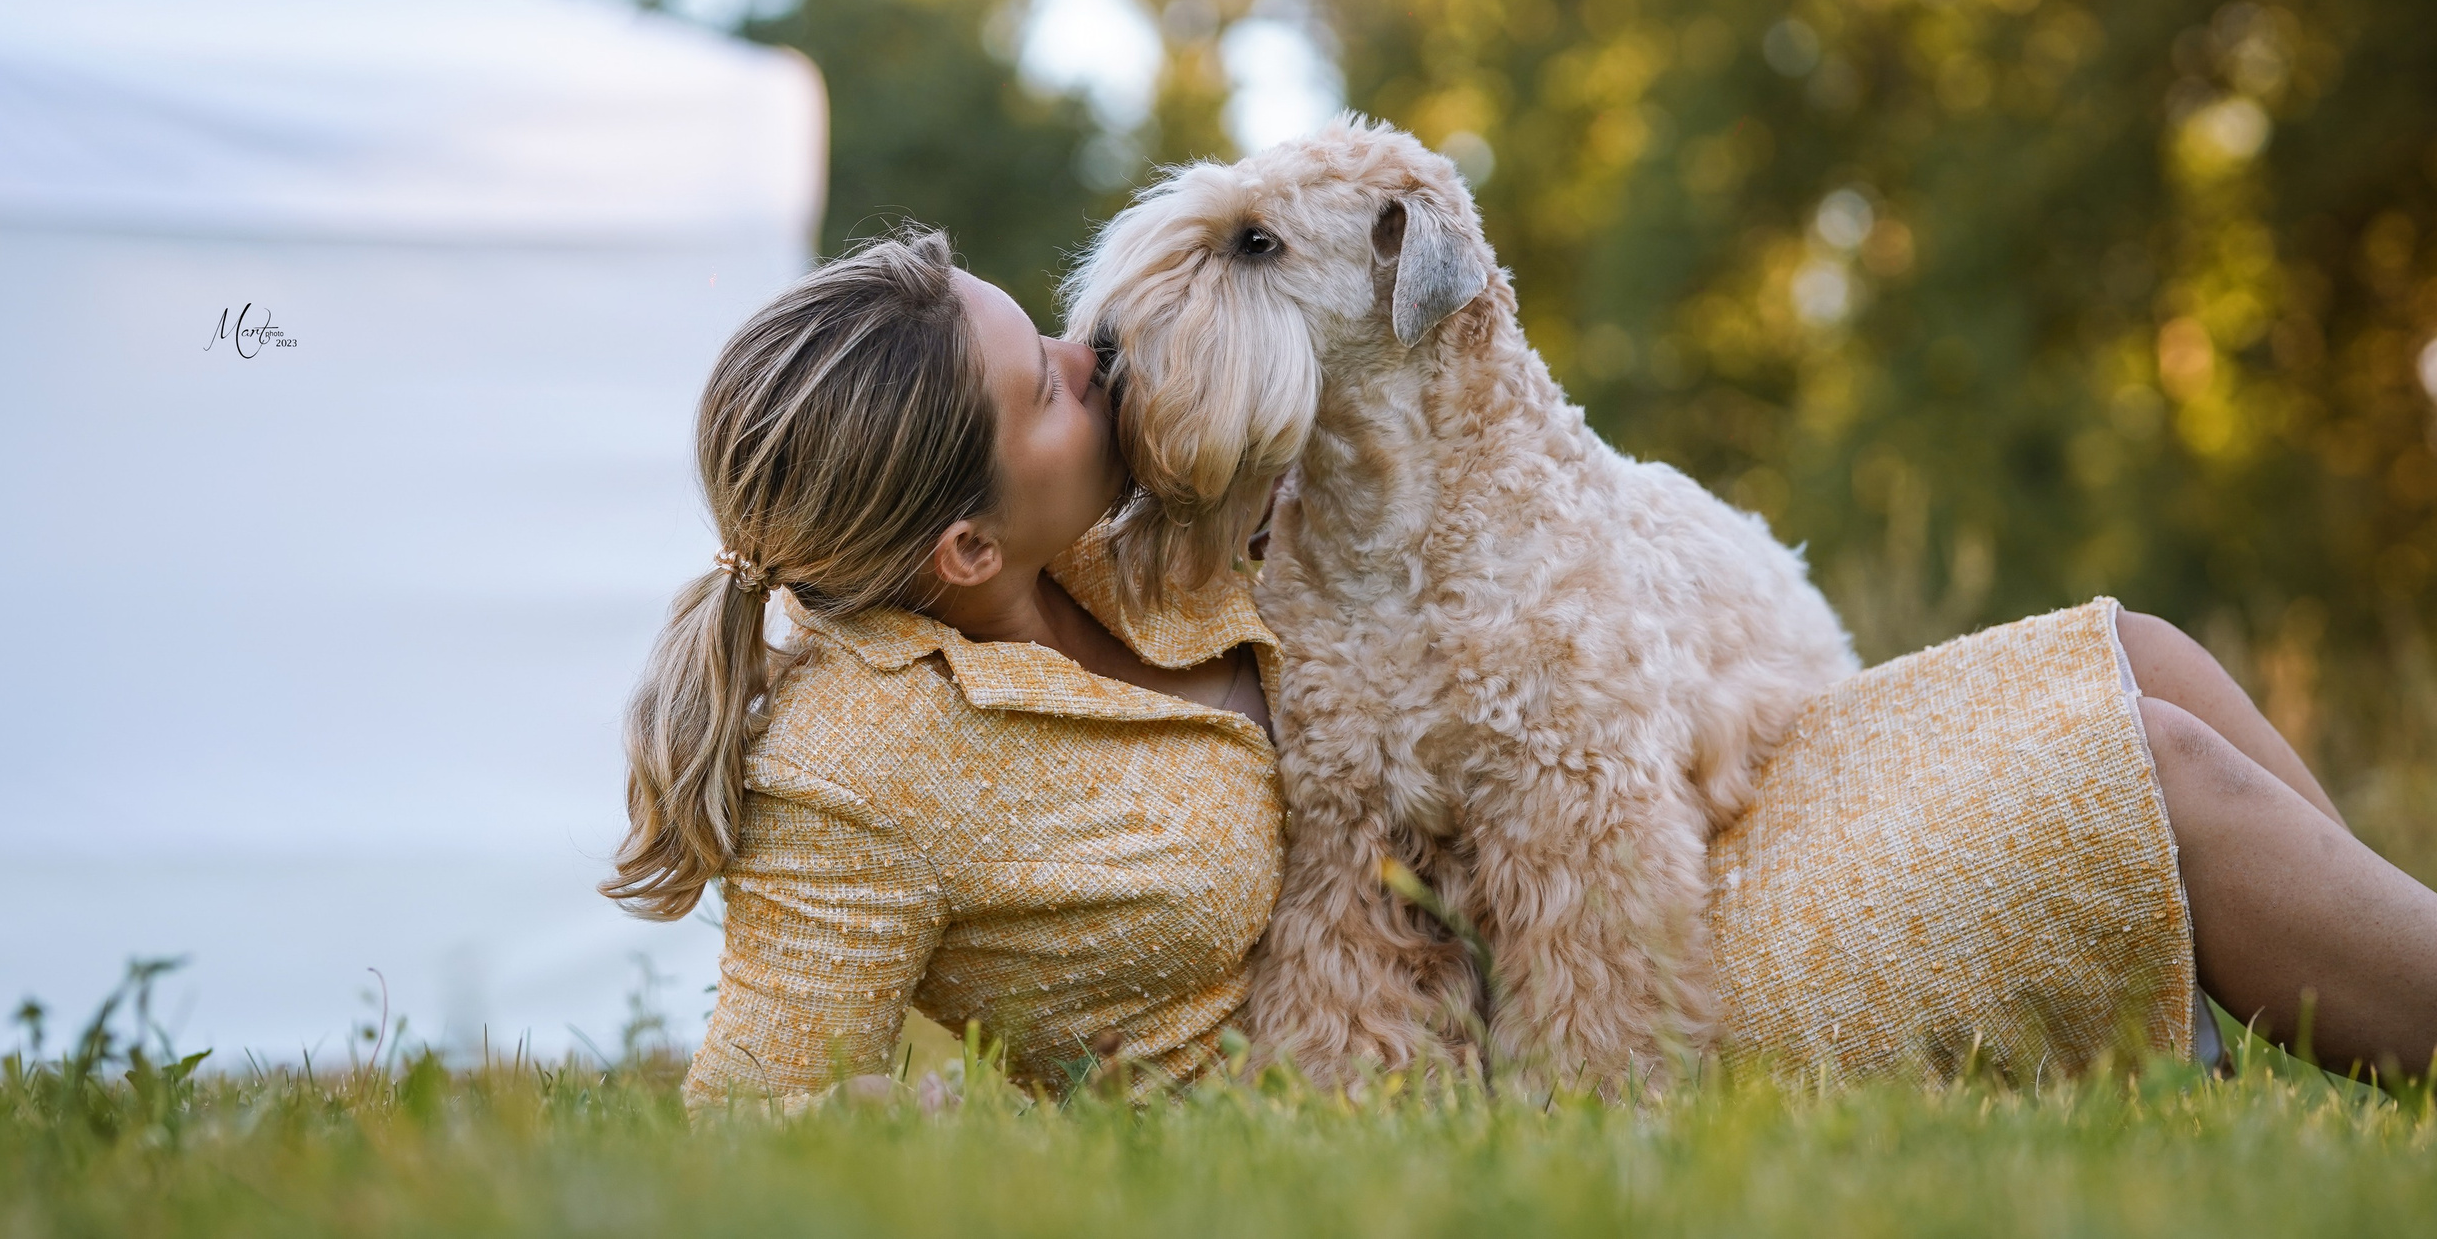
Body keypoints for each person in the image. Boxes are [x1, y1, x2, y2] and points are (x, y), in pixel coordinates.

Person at [606, 228, 2437, 1102]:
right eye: (1047, 384)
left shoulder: (1152, 538)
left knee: (2143, 656)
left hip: (1620, 877)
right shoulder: (851, 766)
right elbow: (755, 1126)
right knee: (2159, 785)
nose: (1098, 353)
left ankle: (2343, 1064)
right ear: (960, 552)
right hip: (1540, 1052)